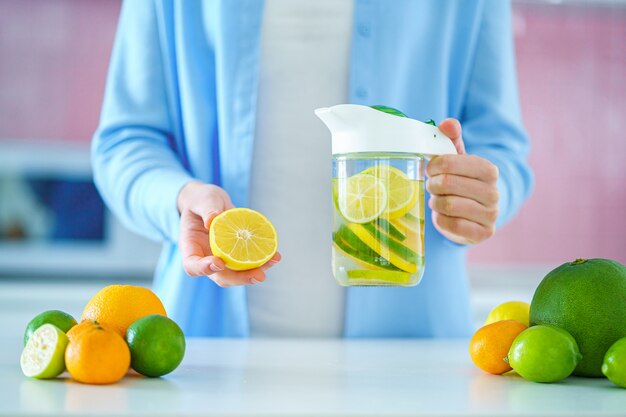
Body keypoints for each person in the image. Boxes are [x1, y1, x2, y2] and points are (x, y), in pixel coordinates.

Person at [92, 0, 533, 338]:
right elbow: (125, 141)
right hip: (210, 348)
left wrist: (479, 198)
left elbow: (502, 148)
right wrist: (181, 198)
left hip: (411, 352)